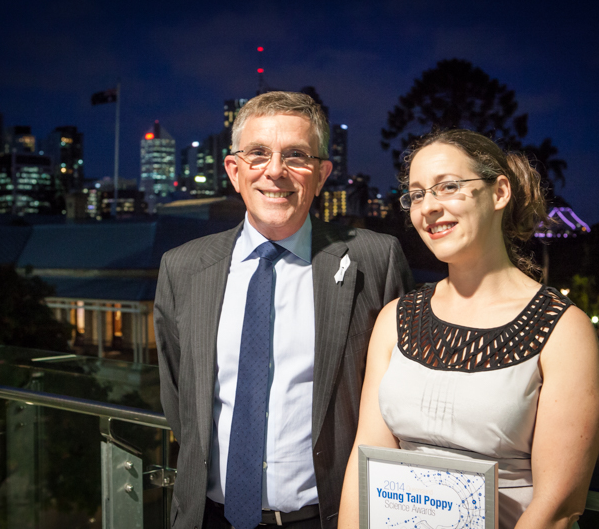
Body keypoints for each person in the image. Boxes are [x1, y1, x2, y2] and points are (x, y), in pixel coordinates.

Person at [154, 91, 414, 529]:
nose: (275, 171)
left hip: (328, 518)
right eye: (258, 154)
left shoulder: (375, 259)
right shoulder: (182, 267)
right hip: (208, 517)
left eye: (295, 155)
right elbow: (179, 395)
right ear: (234, 171)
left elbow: (399, 401)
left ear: (321, 173)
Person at [338, 129, 599, 529]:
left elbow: (557, 508)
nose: (428, 206)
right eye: (416, 194)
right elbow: (367, 459)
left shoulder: (564, 331)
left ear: (499, 193)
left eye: (447, 187)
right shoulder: (394, 319)